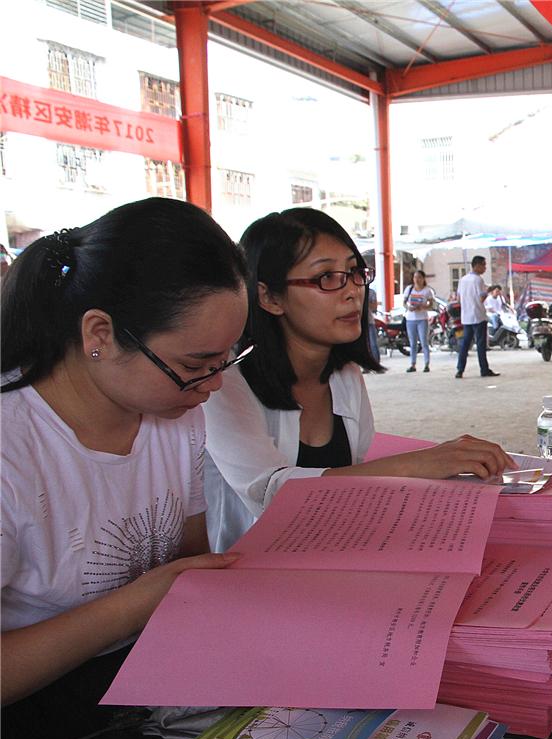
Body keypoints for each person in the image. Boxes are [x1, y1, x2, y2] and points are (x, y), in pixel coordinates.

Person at [1, 198, 250, 739]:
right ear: (100, 334)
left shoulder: (172, 413)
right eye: (197, 364)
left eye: (228, 360)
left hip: (146, 678)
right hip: (31, 725)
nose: (214, 386)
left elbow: (184, 564)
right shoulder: (13, 452)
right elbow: (162, 589)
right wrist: (138, 604)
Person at [203, 209, 512, 552]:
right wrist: (422, 462)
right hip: (249, 581)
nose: (352, 291)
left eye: (354, 273)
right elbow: (270, 494)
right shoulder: (223, 387)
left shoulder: (344, 376)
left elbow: (354, 489)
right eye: (326, 277)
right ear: (270, 298)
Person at [455, 255, 499, 379]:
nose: (485, 268)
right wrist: (487, 292)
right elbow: (481, 297)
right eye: (484, 265)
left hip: (466, 316)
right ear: (477, 265)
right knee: (480, 344)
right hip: (478, 315)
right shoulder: (478, 280)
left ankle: (460, 369)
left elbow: (458, 298)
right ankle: (484, 369)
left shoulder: (462, 279)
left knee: (465, 344)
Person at [402, 269, 436, 373]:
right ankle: (413, 364)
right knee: (412, 343)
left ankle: (426, 364)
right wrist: (409, 307)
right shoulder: (409, 289)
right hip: (410, 318)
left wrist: (424, 306)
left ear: (423, 279)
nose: (417, 280)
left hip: (422, 318)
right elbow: (404, 302)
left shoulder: (427, 290)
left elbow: (432, 304)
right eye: (415, 277)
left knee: (424, 341)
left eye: (419, 277)